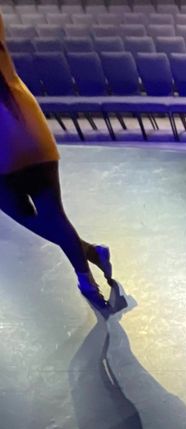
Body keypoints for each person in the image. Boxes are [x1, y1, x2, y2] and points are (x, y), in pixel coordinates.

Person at [0, 14, 113, 313]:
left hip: (3, 144)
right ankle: (87, 275)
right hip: (30, 126)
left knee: (26, 215)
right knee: (54, 215)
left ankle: (91, 254)